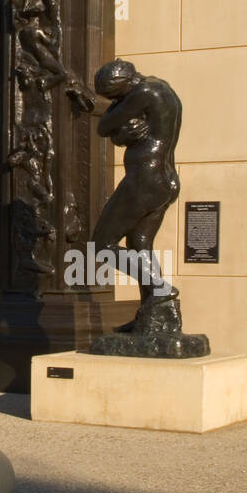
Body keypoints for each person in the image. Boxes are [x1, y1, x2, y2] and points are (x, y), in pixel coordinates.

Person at [90, 59, 181, 316]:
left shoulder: (143, 93)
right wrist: (123, 135)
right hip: (166, 181)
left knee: (101, 246)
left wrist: (118, 130)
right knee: (140, 244)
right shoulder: (161, 88)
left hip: (144, 180)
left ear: (123, 86)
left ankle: (160, 288)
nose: (113, 101)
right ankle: (153, 313)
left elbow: (103, 126)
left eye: (113, 97)